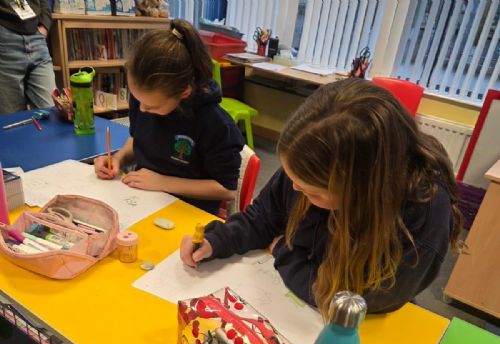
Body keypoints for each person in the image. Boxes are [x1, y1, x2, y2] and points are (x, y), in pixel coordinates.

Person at [180, 78, 461, 318]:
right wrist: (218, 240)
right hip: (295, 301)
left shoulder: (424, 216)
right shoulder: (308, 159)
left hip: (361, 328)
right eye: (293, 179)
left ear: (361, 188)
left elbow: (357, 301)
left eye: (312, 191)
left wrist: (284, 252)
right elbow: (263, 216)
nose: (295, 188)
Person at [94, 20, 244, 216]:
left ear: (184, 93)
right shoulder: (144, 100)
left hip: (188, 212)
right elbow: (138, 139)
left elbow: (227, 189)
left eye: (152, 106)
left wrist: (162, 182)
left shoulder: (215, 124)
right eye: (138, 100)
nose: (142, 109)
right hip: (143, 201)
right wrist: (117, 159)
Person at [0, 0, 56, 113]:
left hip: (36, 37)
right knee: (13, 118)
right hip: (5, 39)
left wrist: (44, 25)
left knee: (51, 113)